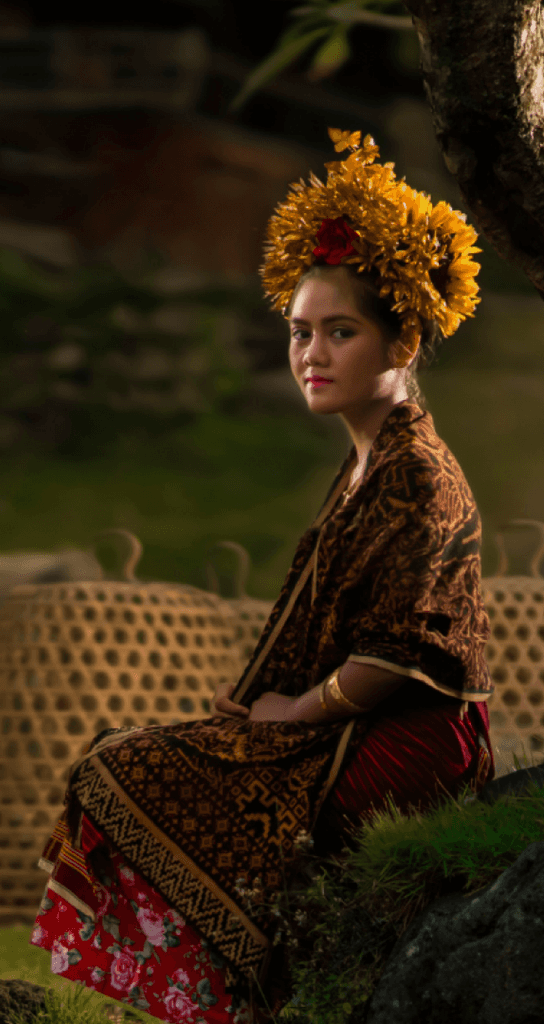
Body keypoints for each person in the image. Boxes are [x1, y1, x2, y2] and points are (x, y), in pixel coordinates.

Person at [29, 126, 495, 1024]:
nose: (310, 355)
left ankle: (244, 994)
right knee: (120, 759)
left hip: (409, 733)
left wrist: (298, 709)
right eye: (298, 332)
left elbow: (403, 648)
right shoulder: (363, 464)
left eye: (339, 332)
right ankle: (237, 997)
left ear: (401, 341)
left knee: (128, 770)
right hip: (358, 711)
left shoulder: (417, 474)